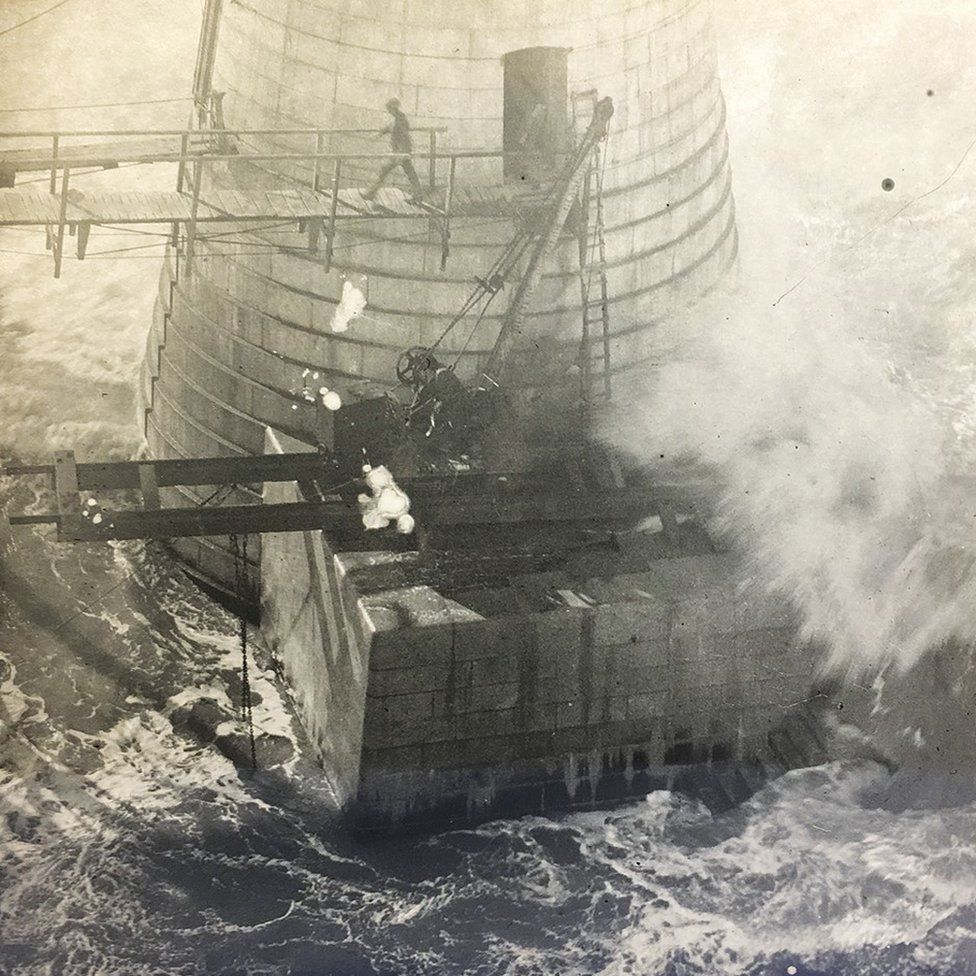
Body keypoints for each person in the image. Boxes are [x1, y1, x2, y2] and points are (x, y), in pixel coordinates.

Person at [363, 98, 424, 203]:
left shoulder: (401, 120)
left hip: (401, 152)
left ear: (394, 108)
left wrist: (403, 153)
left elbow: (404, 136)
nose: (388, 111)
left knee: (386, 170)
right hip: (398, 152)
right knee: (409, 173)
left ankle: (371, 194)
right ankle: (418, 196)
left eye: (389, 108)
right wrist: (378, 134)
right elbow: (388, 127)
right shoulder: (396, 119)